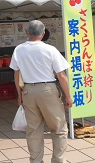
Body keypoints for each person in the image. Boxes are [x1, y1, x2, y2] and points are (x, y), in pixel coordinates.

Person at [10, 20, 72, 163]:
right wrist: (68, 96)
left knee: (34, 130)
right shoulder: (50, 50)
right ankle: (58, 160)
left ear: (26, 32)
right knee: (58, 129)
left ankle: (36, 161)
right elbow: (61, 75)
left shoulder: (19, 49)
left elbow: (16, 75)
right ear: (43, 34)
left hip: (28, 91)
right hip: (47, 89)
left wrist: (19, 95)